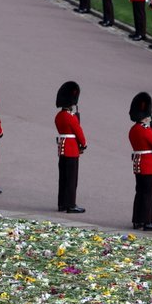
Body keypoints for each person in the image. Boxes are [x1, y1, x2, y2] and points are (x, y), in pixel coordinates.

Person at [128, 92, 152, 231]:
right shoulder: (145, 130)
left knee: (140, 193)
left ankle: (137, 220)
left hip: (138, 165)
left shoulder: (133, 130)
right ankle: (147, 221)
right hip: (149, 165)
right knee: (149, 194)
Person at [55, 81, 86, 213]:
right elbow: (79, 132)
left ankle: (62, 203)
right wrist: (83, 144)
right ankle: (70, 204)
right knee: (71, 179)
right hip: (71, 150)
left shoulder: (59, 116)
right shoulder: (70, 117)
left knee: (63, 178)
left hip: (62, 148)